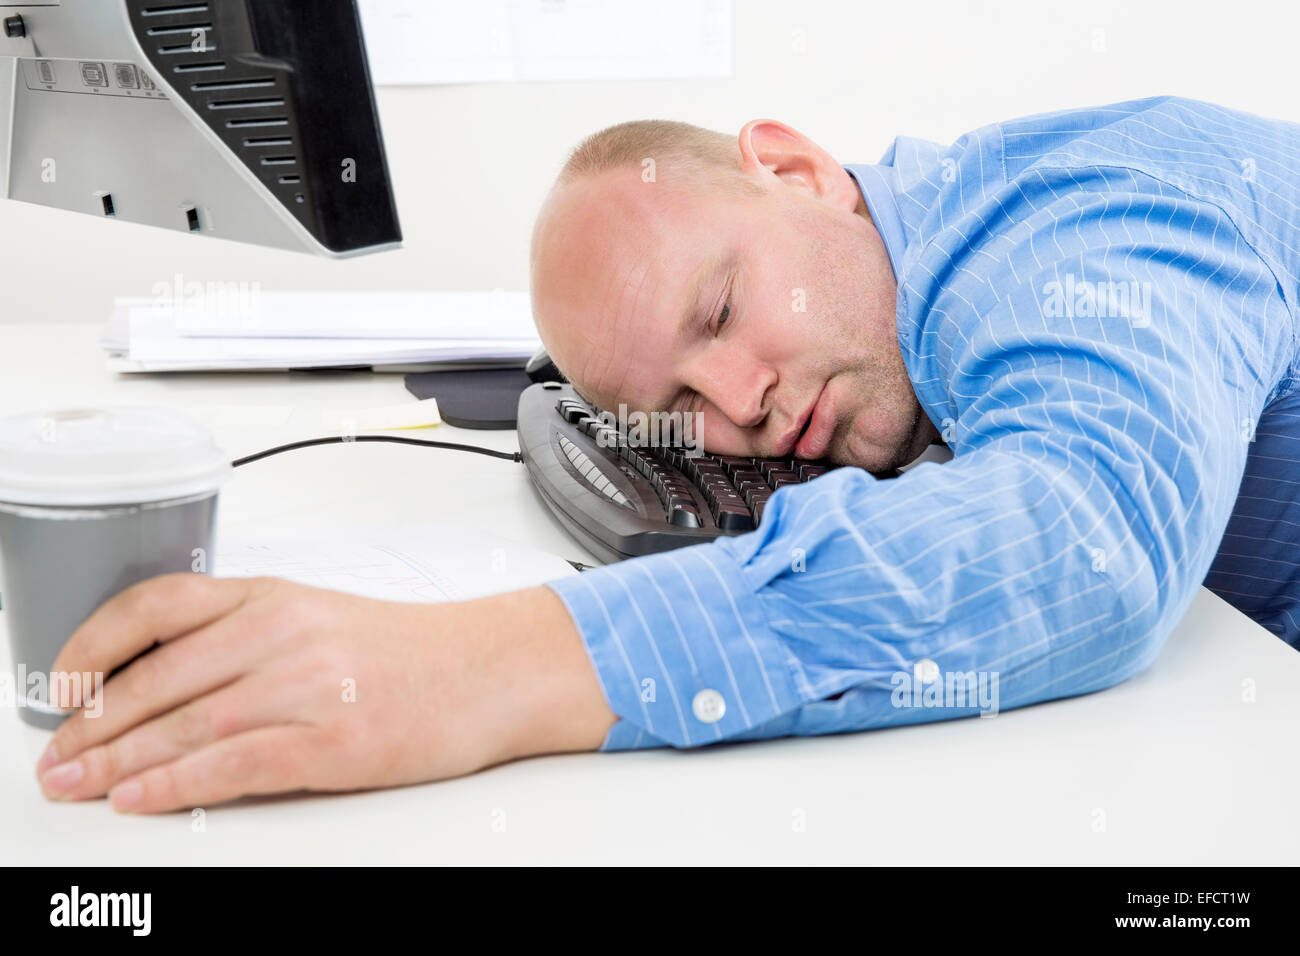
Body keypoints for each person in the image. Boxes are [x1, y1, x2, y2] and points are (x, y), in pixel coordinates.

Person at [35, 95, 1300, 813]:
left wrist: (470, 668)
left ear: (796, 170)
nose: (740, 401)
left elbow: (1083, 541)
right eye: (677, 404)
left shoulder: (1080, 224)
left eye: (720, 310)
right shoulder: (916, 296)